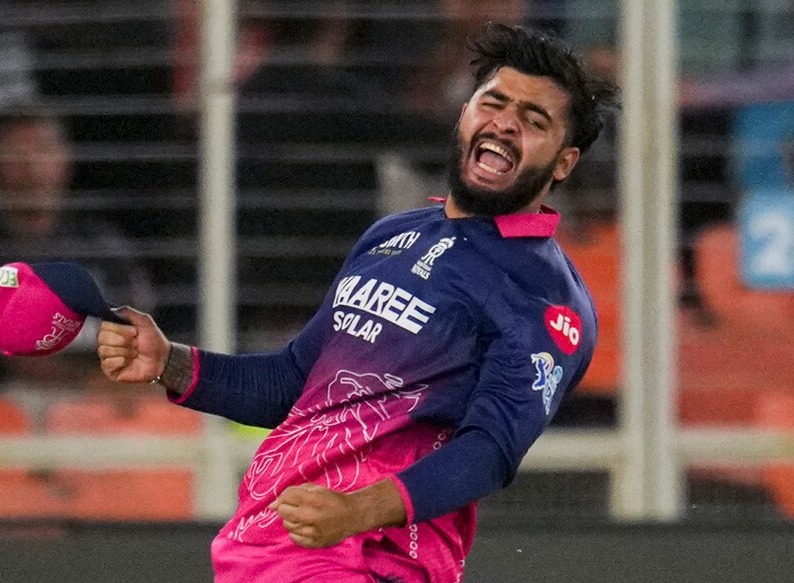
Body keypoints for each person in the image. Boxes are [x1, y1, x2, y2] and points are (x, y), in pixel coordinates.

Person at [98, 23, 617, 582]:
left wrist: (357, 511)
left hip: (368, 560)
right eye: (494, 102)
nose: (506, 123)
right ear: (465, 113)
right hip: (265, 548)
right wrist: (168, 361)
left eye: (534, 121)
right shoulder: (392, 234)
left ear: (563, 163)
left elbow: (490, 451)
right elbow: (294, 380)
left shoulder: (545, 299)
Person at [0, 101, 155, 422]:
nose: (32, 168)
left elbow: (139, 345)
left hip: (92, 406)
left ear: (65, 160)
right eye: (15, 153)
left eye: (43, 149)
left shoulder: (103, 249)